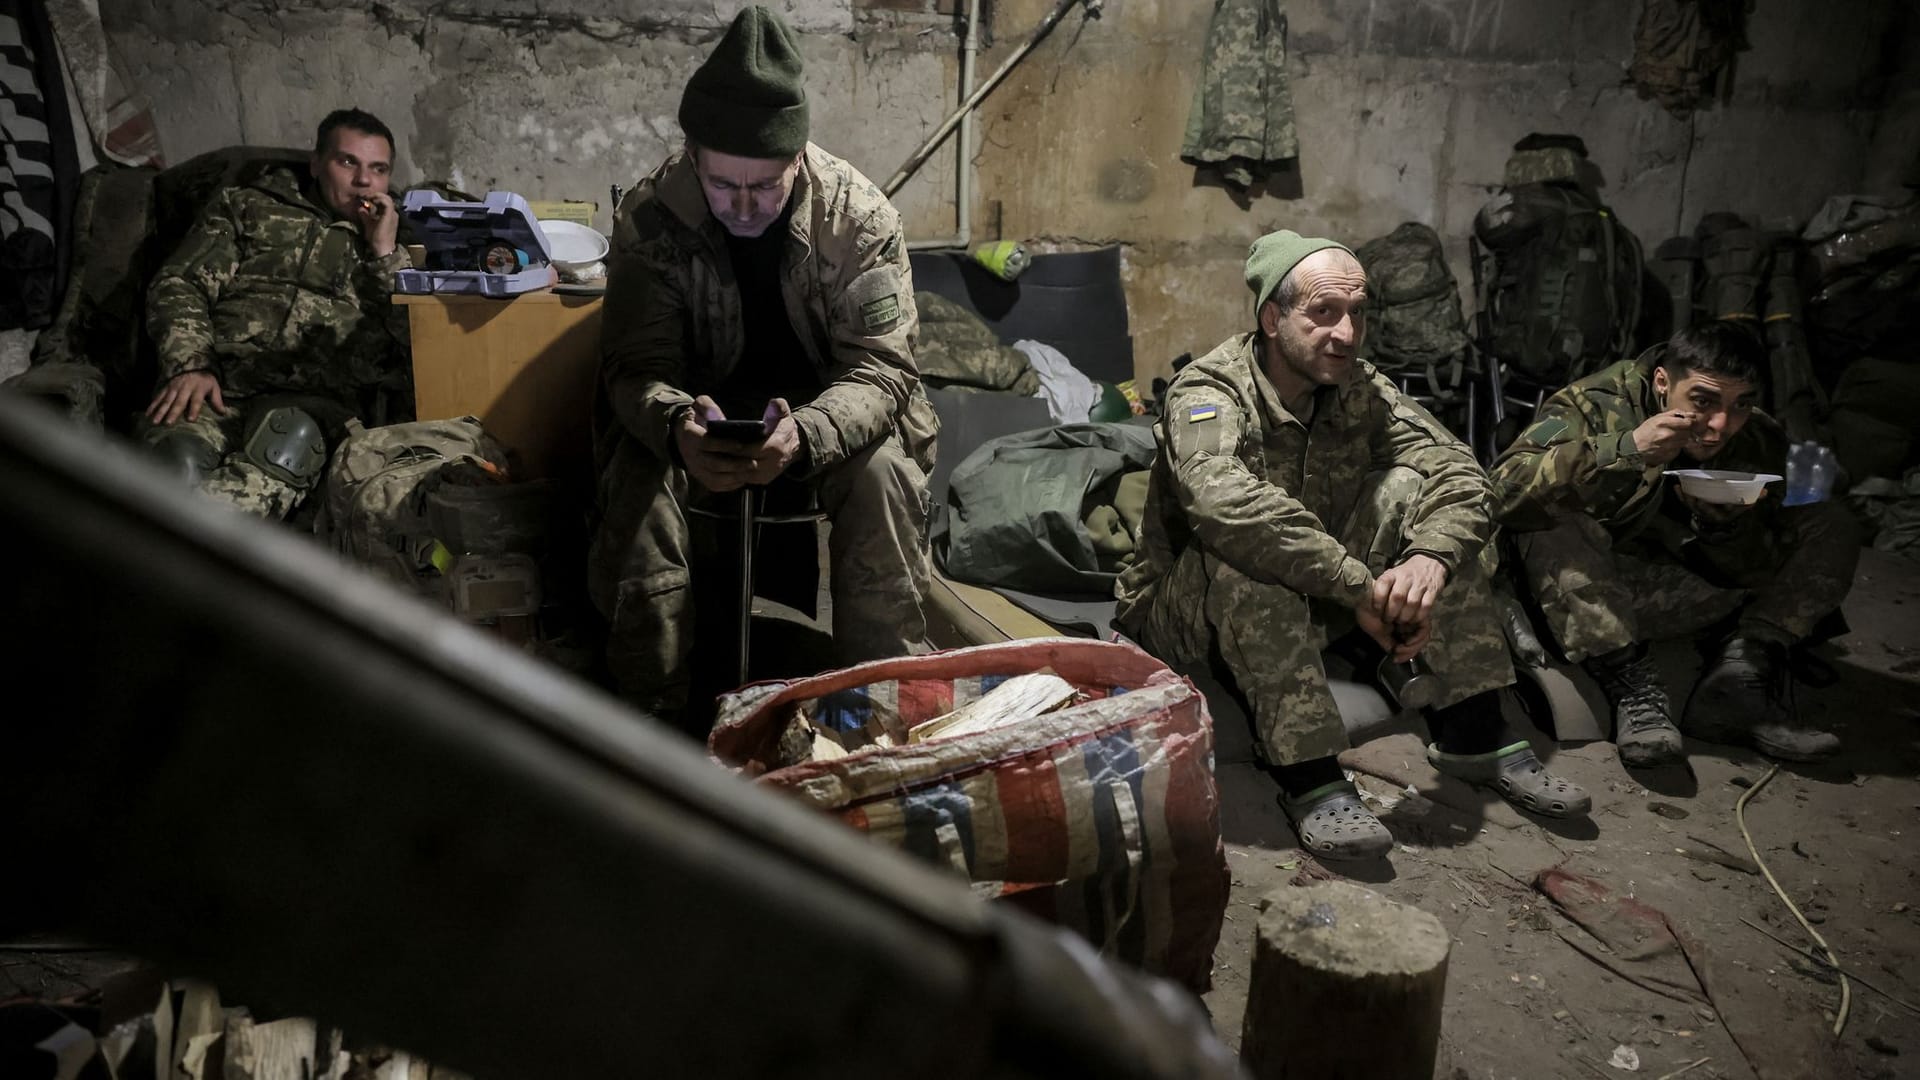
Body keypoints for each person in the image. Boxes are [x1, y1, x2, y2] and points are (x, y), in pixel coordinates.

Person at [1114, 230, 1589, 861]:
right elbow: (1224, 504)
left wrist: (1428, 560)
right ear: (1272, 318)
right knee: (1247, 552)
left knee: (1420, 501)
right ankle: (1309, 776)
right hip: (1184, 610)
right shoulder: (1210, 391)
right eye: (1324, 313)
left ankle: (1474, 733)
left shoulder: (1359, 386)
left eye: (1357, 313)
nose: (1346, 333)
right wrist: (1358, 586)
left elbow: (1461, 472)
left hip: (1322, 596)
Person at [589, 5, 939, 726]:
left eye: (765, 186)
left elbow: (884, 370)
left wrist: (807, 435)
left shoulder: (861, 217)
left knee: (882, 475)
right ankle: (650, 724)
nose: (743, 206)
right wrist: (676, 423)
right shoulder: (652, 218)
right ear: (694, 159)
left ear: (798, 161)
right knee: (636, 476)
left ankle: (882, 723)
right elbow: (632, 366)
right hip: (702, 425)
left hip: (826, 425)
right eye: (723, 186)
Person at [1489, 321, 1858, 765]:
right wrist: (1626, 448)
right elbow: (1501, 494)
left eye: (1740, 404)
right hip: (1573, 593)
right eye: (1703, 401)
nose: (1720, 425)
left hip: (1676, 587)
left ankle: (1744, 671)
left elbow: (1752, 566)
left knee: (1829, 522)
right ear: (1663, 382)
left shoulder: (1755, 436)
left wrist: (1723, 526)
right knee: (1552, 518)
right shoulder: (1595, 404)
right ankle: (1630, 682)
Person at [141, 108, 412, 518]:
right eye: (347, 162)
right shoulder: (248, 207)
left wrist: (384, 254)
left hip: (314, 408)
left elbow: (417, 337)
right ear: (317, 162)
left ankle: (172, 554)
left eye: (378, 169)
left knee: (287, 445)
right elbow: (180, 283)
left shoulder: (402, 242)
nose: (363, 181)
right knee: (178, 463)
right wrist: (191, 364)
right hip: (219, 389)